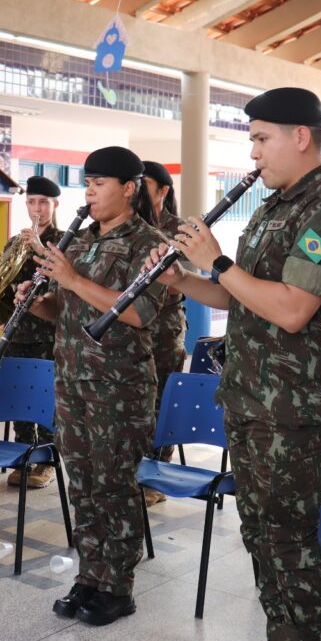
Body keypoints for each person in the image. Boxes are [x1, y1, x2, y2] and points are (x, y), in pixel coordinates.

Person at [146, 88, 321, 641]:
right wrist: (182, 281)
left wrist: (217, 257)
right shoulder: (273, 206)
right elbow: (240, 295)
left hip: (292, 408)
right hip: (250, 397)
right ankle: (282, 639)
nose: (254, 155)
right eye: (252, 141)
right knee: (259, 528)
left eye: (261, 139)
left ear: (301, 137)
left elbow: (293, 308)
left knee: (287, 533)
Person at [18, 146, 166, 626]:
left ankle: (118, 585)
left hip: (118, 386)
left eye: (99, 184)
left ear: (128, 188)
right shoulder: (80, 241)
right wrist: (36, 302)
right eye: (87, 184)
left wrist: (72, 278)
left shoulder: (151, 244)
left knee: (114, 484)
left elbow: (139, 312)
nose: (90, 192)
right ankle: (90, 573)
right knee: (80, 482)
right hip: (73, 381)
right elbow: (67, 310)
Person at [3, 176, 63, 490]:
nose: (37, 208)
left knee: (45, 397)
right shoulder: (15, 241)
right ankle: (23, 451)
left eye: (43, 202)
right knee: (19, 397)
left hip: (47, 332)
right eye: (31, 202)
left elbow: (62, 284)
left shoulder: (64, 240)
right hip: (17, 332)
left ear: (55, 204)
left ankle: (46, 460)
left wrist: (38, 248)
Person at [140, 160, 187, 506]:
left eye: (145, 185)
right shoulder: (128, 225)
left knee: (162, 400)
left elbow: (176, 286)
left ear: (163, 191)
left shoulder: (177, 229)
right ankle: (136, 471)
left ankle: (157, 476)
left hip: (164, 328)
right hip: (133, 327)